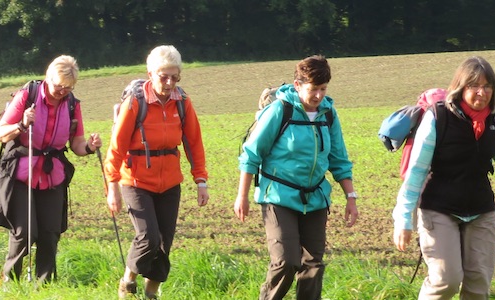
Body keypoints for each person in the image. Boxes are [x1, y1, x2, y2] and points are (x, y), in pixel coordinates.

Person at [391, 56, 495, 299]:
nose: (482, 92)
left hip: (481, 209)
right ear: (460, 88)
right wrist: (403, 219)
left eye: (487, 86)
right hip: (439, 208)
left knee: (479, 285)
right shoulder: (438, 118)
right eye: (474, 86)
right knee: (446, 280)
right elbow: (416, 171)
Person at [233, 55, 359, 300]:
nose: (318, 96)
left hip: (315, 198)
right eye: (313, 89)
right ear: (298, 85)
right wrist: (242, 196)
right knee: (286, 262)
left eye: (323, 89)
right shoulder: (280, 111)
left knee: (313, 265)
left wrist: (350, 197)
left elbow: (339, 159)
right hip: (278, 196)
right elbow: (251, 155)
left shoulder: (328, 114)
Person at [104, 45, 209, 299]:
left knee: (164, 244)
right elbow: (116, 148)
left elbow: (194, 142)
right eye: (164, 76)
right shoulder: (135, 103)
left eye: (175, 76)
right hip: (136, 181)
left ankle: (151, 294)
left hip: (170, 182)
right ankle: (128, 280)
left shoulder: (183, 102)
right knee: (148, 237)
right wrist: (113, 187)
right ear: (151, 74)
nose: (170, 82)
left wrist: (201, 179)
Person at [0, 55, 101, 282]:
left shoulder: (72, 104)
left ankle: (45, 285)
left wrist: (90, 147)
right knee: (24, 232)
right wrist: (22, 124)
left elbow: (76, 145)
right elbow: (1, 133)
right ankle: (11, 281)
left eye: (68, 88)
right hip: (21, 174)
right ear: (47, 78)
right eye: (58, 86)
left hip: (52, 174)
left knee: (50, 233)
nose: (62, 91)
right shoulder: (28, 96)